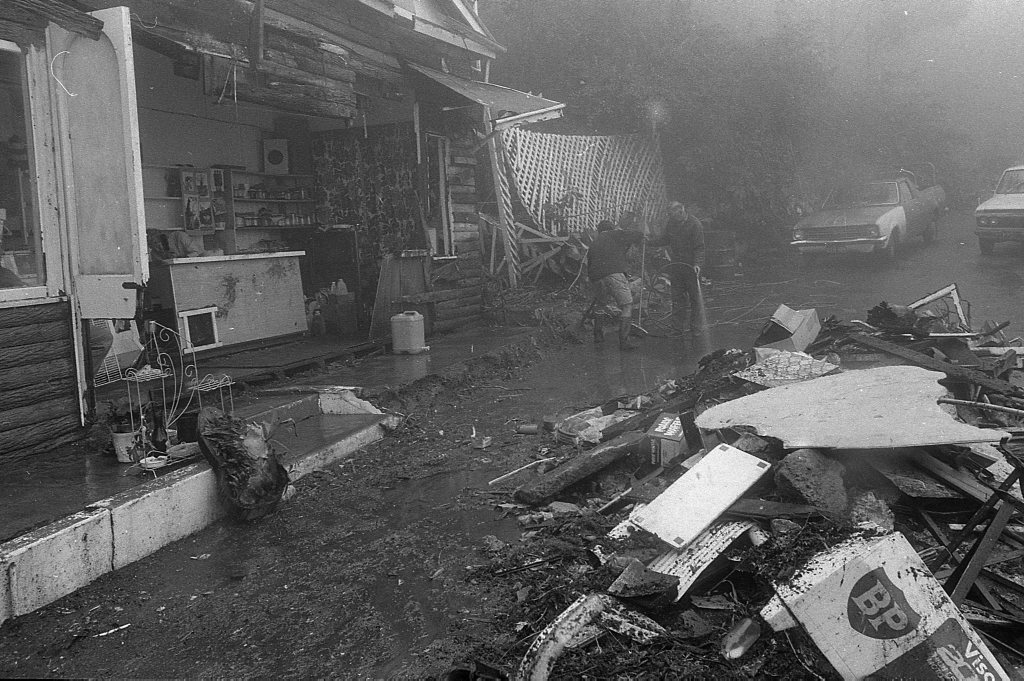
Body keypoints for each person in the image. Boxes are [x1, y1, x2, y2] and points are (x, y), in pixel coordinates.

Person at [587, 218, 644, 350]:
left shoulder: (594, 243)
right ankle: (624, 342)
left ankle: (598, 335)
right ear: (611, 228)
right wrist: (642, 235)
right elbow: (635, 234)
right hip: (614, 273)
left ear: (599, 230)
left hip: (596, 277)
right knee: (627, 305)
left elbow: (589, 264)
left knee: (600, 304)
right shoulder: (613, 234)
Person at [652, 202, 706, 335]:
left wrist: (697, 264)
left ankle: (696, 328)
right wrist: (649, 242)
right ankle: (677, 329)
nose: (670, 217)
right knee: (677, 297)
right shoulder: (672, 223)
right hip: (676, 266)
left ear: (681, 211)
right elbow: (665, 239)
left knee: (695, 298)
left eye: (672, 215)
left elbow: (699, 247)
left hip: (691, 267)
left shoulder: (695, 224)